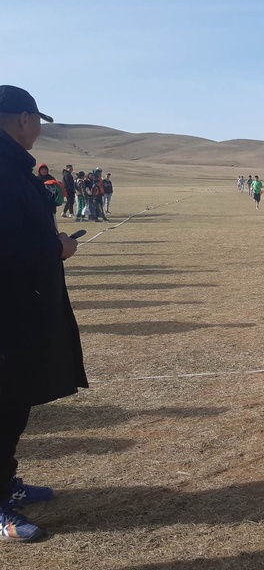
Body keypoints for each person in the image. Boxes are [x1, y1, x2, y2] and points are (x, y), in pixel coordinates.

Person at [0, 85, 88, 542]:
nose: (37, 128)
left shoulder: (14, 167)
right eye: (36, 119)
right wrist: (56, 248)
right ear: (19, 119)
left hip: (19, 311)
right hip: (7, 316)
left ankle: (5, 483)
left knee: (13, 406)